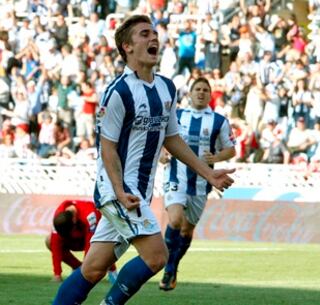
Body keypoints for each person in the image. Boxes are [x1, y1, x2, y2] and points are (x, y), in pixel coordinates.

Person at [51, 15, 234, 305]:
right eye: (144, 34)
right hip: (119, 191)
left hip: (137, 194)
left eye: (154, 33)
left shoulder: (166, 88)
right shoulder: (118, 92)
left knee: (93, 268)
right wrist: (120, 192)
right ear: (127, 47)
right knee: (157, 256)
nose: (153, 38)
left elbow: (173, 139)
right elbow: (107, 148)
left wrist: (208, 173)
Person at [158, 77, 236, 291]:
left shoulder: (219, 121)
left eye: (205, 90)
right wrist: (161, 156)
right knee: (174, 220)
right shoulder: (177, 115)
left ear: (210, 95)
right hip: (176, 176)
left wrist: (217, 157)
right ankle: (168, 268)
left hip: (201, 183)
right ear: (190, 93)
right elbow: (158, 139)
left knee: (186, 231)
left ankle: (173, 266)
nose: (201, 93)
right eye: (197, 89)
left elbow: (231, 149)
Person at [45, 199, 117, 283]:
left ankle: (112, 270)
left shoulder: (89, 214)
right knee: (49, 241)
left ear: (74, 220)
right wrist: (57, 274)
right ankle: (77, 267)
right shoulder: (60, 213)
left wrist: (85, 271)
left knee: (105, 242)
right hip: (74, 240)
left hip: (95, 239)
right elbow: (55, 243)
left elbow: (90, 243)